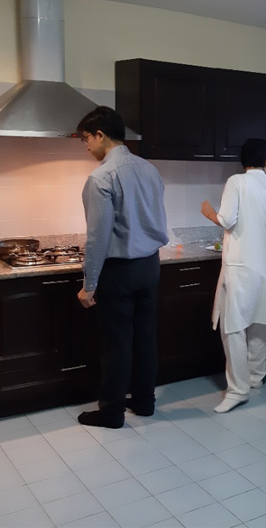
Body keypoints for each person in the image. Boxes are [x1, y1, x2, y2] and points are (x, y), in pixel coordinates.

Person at [76, 106, 169, 429]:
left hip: (119, 272)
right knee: (145, 337)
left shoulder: (101, 177)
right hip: (150, 266)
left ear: (101, 135)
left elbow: (97, 238)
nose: (86, 146)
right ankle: (144, 402)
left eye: (86, 138)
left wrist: (89, 285)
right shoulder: (149, 170)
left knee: (116, 343)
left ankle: (111, 412)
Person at [201, 138, 266, 413]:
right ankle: (255, 377)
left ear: (243, 161)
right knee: (262, 323)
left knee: (233, 328)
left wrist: (209, 212)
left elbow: (226, 219)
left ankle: (238, 390)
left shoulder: (236, 182)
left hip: (241, 269)